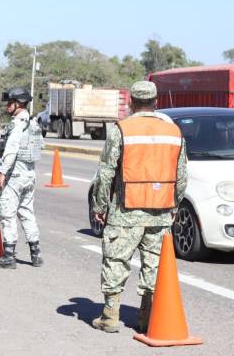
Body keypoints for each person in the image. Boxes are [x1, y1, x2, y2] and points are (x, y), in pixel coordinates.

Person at [90, 80, 188, 334]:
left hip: (125, 210)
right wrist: (175, 205)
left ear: (131, 102)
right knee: (154, 264)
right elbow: (182, 175)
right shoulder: (173, 131)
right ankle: (147, 317)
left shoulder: (121, 129)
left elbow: (106, 172)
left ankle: (110, 316)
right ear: (156, 102)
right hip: (161, 210)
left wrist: (100, 206)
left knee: (116, 259)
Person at [0, 86, 45, 269]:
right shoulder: (34, 123)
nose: (6, 107)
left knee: (7, 213)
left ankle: (9, 256)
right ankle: (36, 254)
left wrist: (2, 174)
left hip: (15, 175)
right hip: (29, 174)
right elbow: (40, 146)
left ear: (17, 104)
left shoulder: (17, 125)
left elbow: (10, 151)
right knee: (27, 212)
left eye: (9, 103)